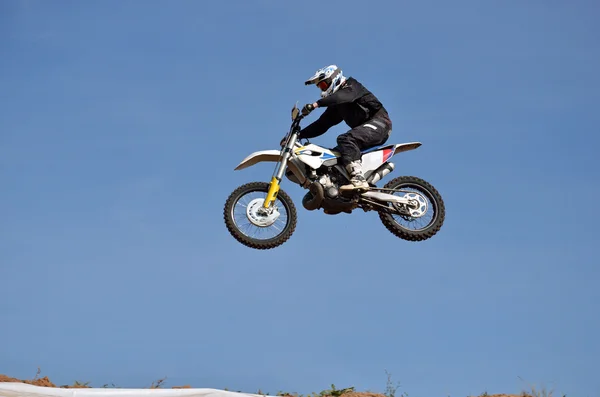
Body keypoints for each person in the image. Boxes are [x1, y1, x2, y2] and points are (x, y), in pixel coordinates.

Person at [292, 65, 393, 192]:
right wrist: (298, 134)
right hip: (365, 131)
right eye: (320, 87)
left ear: (333, 78)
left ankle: (358, 178)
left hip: (380, 124)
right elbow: (322, 124)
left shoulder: (352, 87)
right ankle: (337, 186)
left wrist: (316, 104)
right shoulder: (338, 106)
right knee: (333, 156)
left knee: (345, 139)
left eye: (323, 85)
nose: (322, 89)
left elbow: (342, 97)